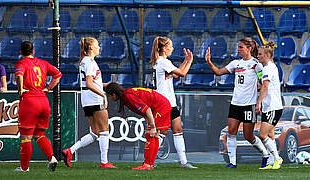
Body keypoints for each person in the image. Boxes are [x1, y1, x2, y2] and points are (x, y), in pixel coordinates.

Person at [205, 37, 269, 168]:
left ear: (249, 49)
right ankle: (232, 163)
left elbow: (264, 83)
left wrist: (259, 99)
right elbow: (218, 72)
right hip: (235, 104)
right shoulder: (235, 63)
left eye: (241, 47)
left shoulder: (256, 65)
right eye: (238, 47)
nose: (238, 50)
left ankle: (265, 154)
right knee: (231, 132)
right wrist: (209, 62)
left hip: (248, 105)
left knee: (248, 136)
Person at [62, 37, 116, 168]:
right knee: (104, 131)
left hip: (86, 100)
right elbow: (90, 83)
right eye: (97, 45)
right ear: (91, 47)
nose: (99, 47)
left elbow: (91, 82)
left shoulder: (84, 61)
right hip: (94, 99)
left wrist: (106, 85)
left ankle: (70, 150)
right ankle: (104, 162)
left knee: (95, 132)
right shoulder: (90, 63)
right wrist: (103, 95)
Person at [14, 41, 62, 172]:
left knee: (26, 137)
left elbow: (19, 76)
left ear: (21, 52)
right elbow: (58, 75)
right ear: (33, 51)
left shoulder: (21, 63)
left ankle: (24, 168)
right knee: (39, 134)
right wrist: (48, 88)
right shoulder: (43, 63)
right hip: (43, 101)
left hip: (30, 102)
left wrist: (20, 90)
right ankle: (51, 158)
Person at [151, 36, 197, 168]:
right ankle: (149, 161)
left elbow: (176, 74)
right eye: (170, 46)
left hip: (170, 102)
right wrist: (189, 62)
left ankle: (184, 162)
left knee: (178, 130)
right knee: (162, 132)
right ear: (164, 48)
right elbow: (182, 74)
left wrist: (186, 61)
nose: (172, 48)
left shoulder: (161, 62)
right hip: (163, 102)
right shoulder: (163, 62)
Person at [105, 82, 172, 170]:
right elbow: (144, 111)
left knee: (151, 135)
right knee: (153, 135)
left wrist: (152, 126)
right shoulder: (126, 95)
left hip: (160, 106)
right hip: (160, 105)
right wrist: (150, 123)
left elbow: (147, 109)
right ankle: (149, 164)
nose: (110, 98)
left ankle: (147, 164)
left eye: (109, 96)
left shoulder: (128, 97)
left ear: (113, 94)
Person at [255, 42, 283, 170]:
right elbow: (261, 85)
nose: (258, 56)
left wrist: (258, 102)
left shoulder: (268, 68)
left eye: (260, 54)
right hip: (269, 107)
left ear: (267, 55)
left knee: (262, 135)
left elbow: (264, 87)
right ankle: (272, 162)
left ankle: (277, 158)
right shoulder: (267, 67)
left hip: (273, 107)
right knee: (271, 135)